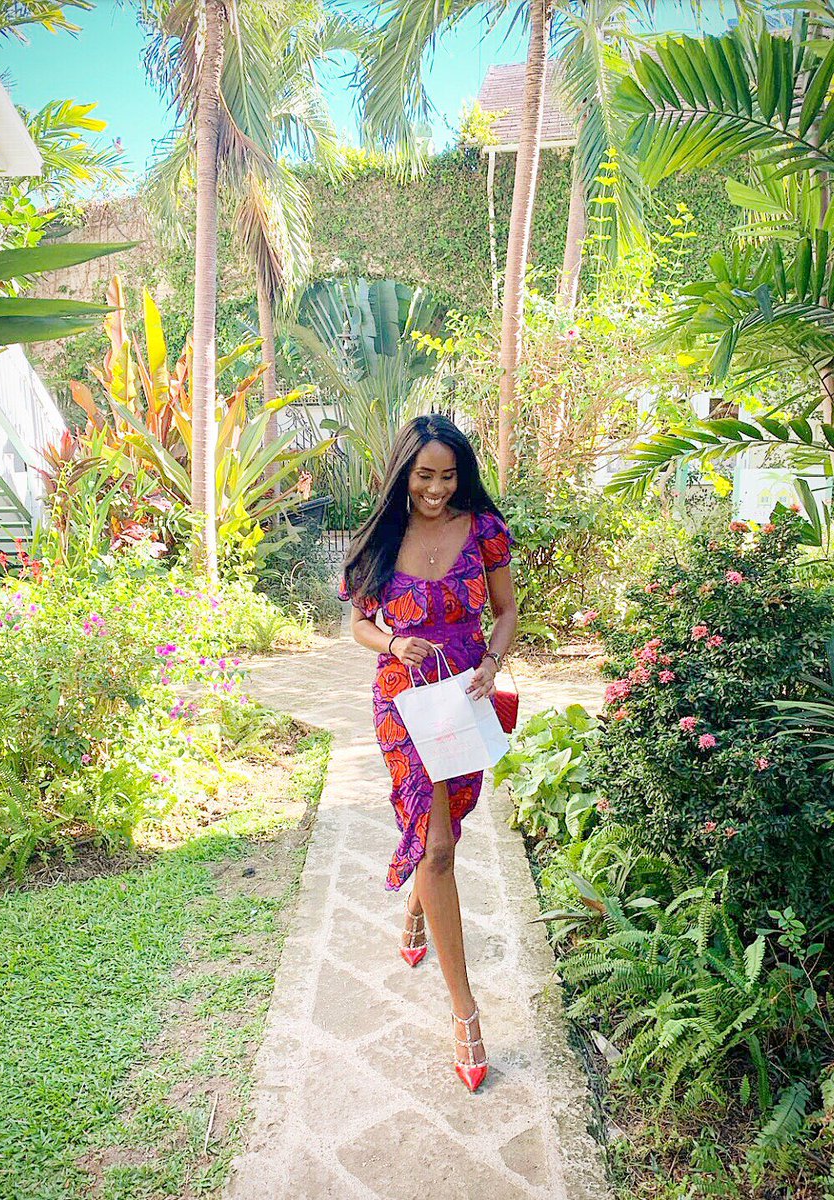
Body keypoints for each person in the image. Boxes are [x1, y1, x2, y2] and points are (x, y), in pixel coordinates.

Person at [338, 414, 517, 1093]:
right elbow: (355, 619)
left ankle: (418, 905)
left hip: (464, 695)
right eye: (424, 476)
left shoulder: (485, 531)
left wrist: (493, 663)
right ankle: (466, 1014)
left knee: (449, 829)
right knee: (437, 843)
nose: (436, 489)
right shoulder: (383, 536)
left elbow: (503, 612)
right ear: (402, 475)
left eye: (447, 476)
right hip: (404, 699)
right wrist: (389, 643)